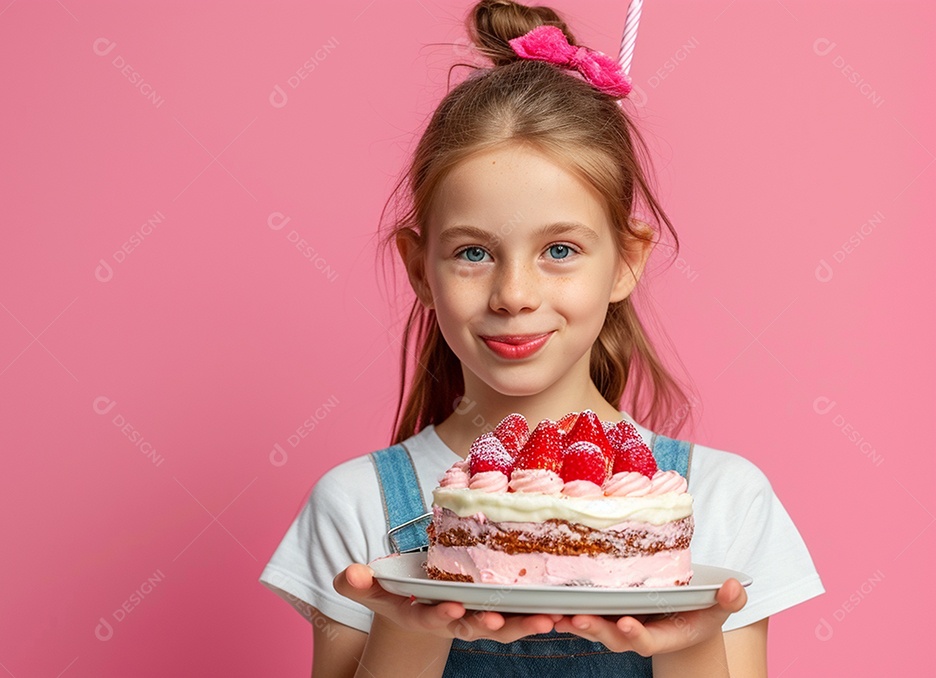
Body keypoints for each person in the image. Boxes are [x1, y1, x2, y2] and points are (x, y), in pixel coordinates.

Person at [259, 1, 824, 675]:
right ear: (420, 268)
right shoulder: (355, 509)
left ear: (625, 261)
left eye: (559, 249)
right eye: (473, 253)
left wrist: (693, 635)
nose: (515, 294)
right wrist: (409, 627)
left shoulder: (725, 501)